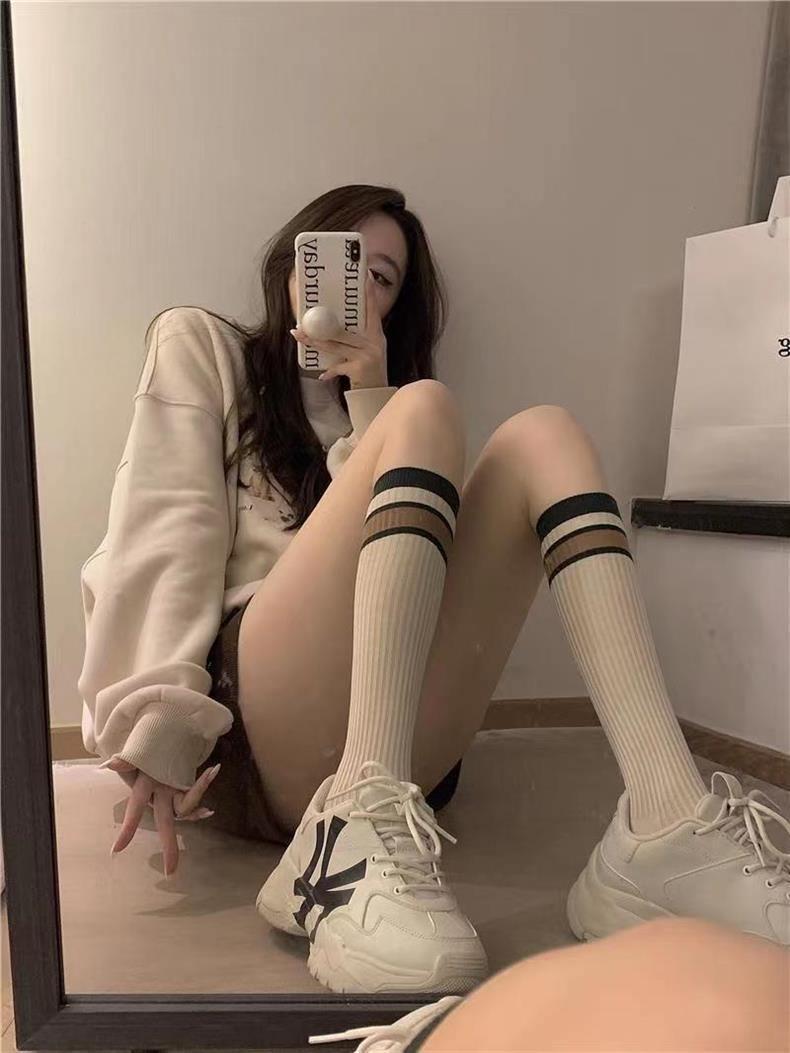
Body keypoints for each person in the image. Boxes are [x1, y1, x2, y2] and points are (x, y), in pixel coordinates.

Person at [80, 184, 789, 999]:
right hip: (252, 730)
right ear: (293, 259)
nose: (356, 286)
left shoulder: (390, 405)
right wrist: (159, 717)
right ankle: (349, 826)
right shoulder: (201, 344)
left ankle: (665, 824)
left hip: (399, 742)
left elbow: (394, 583)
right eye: (343, 258)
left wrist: (369, 397)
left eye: (380, 279)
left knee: (543, 433)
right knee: (427, 408)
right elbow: (165, 529)